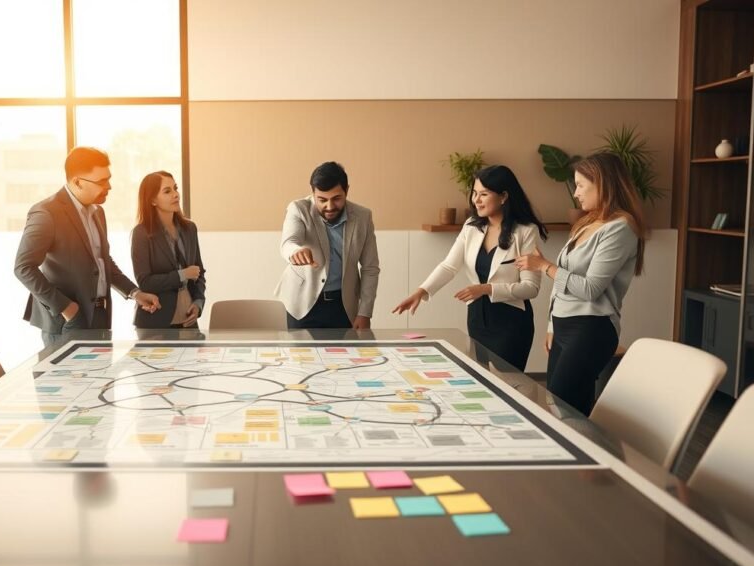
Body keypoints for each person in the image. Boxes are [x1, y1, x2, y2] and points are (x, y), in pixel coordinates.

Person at [515, 152, 648, 417]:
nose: (576, 193)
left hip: (591, 328)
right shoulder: (587, 223)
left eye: (580, 186)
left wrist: (544, 266)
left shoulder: (620, 228)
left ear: (603, 184)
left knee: (566, 407)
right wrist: (553, 324)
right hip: (565, 326)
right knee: (561, 406)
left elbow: (590, 289)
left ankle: (585, 454)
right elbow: (563, 278)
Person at [393, 165, 548, 370]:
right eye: (474, 193)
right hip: (477, 317)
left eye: (484, 194)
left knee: (508, 384)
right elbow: (449, 265)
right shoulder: (471, 226)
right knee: (481, 380)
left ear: (503, 197)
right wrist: (421, 292)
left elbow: (531, 288)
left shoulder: (526, 231)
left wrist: (485, 289)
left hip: (511, 322)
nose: (476, 200)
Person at [14, 146, 160, 347]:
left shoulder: (98, 212)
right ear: (77, 182)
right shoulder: (46, 213)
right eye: (102, 181)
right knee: (67, 380)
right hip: (67, 321)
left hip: (100, 315)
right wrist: (66, 308)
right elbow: (23, 268)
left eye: (109, 179)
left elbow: (102, 261)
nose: (109, 186)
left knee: (100, 378)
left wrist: (134, 293)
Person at [276, 161, 380, 329]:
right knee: (301, 355)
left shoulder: (363, 217)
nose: (329, 206)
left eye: (337, 199)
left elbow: (370, 268)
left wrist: (364, 312)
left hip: (344, 306)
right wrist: (296, 252)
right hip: (302, 304)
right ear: (313, 193)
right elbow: (289, 242)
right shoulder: (298, 209)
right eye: (322, 200)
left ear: (347, 190)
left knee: (346, 355)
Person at [130, 171, 205, 328]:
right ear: (152, 200)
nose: (176, 195)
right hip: (156, 320)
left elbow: (199, 272)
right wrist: (182, 275)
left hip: (188, 319)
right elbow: (145, 282)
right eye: (167, 191)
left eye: (175, 188)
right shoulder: (141, 233)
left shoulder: (189, 228)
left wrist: (198, 303)